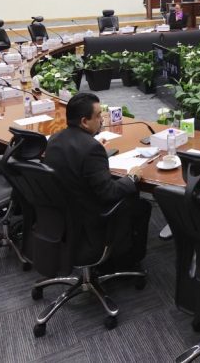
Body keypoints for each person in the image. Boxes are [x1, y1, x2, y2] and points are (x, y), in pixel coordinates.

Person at [44, 92, 151, 271]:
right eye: (99, 115)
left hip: (62, 220)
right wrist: (132, 177)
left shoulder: (54, 138)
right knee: (141, 205)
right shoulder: (91, 148)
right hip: (89, 223)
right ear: (84, 121)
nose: (102, 120)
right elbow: (109, 193)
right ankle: (126, 262)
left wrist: (92, 148)